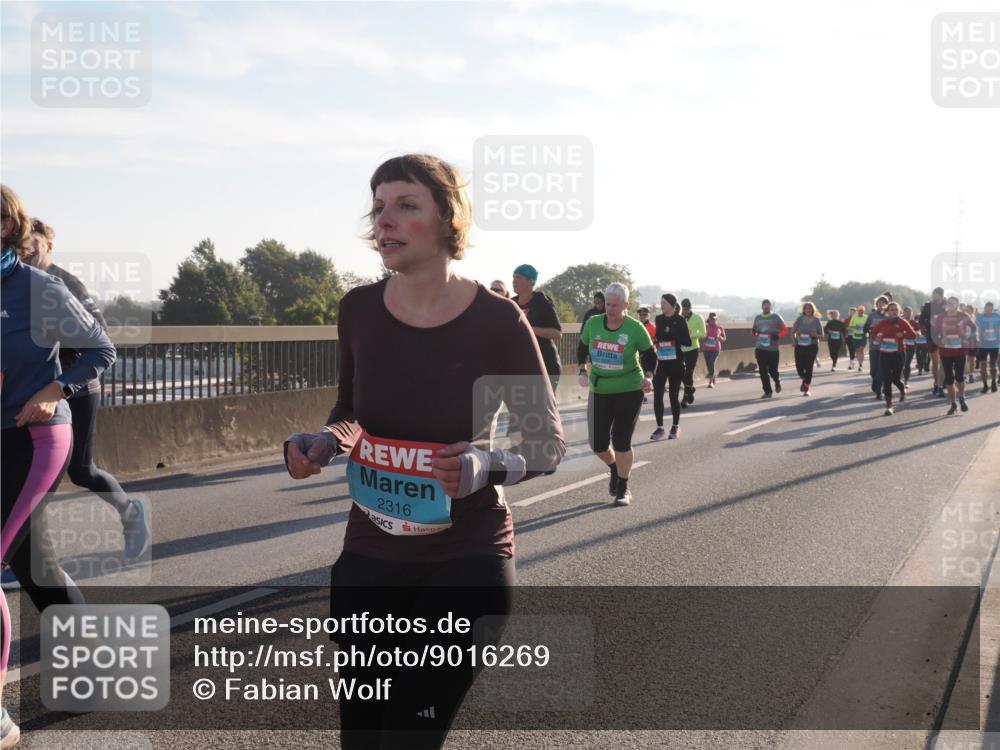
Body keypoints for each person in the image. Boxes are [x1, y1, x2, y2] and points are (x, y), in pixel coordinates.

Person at [283, 155, 565, 749]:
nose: (384, 219)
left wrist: (480, 466)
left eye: (406, 205)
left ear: (446, 219)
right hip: (368, 557)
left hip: (465, 560)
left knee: (409, 737)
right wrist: (325, 443)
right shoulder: (357, 309)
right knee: (361, 742)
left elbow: (545, 443)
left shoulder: (496, 320)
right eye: (378, 206)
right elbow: (350, 415)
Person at [2, 184, 117, 749]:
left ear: (4, 228)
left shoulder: (38, 288)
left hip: (36, 438)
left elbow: (100, 350)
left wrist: (56, 386)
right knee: (34, 565)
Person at [24, 219, 150, 559]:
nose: (28, 255)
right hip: (31, 392)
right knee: (22, 474)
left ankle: (131, 513)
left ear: (49, 247)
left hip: (74, 389)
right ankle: (23, 555)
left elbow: (102, 339)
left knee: (80, 471)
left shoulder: (65, 284)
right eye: (23, 249)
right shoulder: (16, 282)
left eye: (34, 249)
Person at [577, 282, 655, 504]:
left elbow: (650, 354)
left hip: (630, 388)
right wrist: (582, 369)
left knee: (621, 440)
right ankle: (614, 467)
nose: (610, 309)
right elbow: (582, 347)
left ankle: (623, 487)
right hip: (600, 388)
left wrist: (648, 376)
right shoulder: (593, 324)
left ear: (626, 305)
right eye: (608, 305)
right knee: (598, 443)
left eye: (615, 305)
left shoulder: (634, 328)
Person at [511, 264, 563, 395]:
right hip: (521, 368)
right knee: (521, 410)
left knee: (543, 411)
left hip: (545, 366)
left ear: (531, 281)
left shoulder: (541, 301)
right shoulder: (511, 303)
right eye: (513, 277)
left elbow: (557, 333)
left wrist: (529, 328)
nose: (514, 280)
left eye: (518, 277)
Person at [650, 293, 691, 440]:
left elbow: (688, 342)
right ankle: (660, 428)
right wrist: (655, 341)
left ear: (673, 305)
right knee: (657, 394)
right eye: (661, 303)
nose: (661, 305)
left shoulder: (680, 320)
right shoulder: (659, 319)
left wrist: (675, 335)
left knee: (673, 396)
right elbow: (659, 337)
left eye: (664, 303)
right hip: (662, 361)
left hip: (677, 363)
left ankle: (675, 426)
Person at [870, 302, 917, 415]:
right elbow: (873, 334)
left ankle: (902, 390)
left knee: (895, 379)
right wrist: (879, 336)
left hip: (898, 354)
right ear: (887, 312)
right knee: (887, 379)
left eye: (896, 310)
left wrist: (904, 335)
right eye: (891, 310)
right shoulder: (883, 322)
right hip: (885, 354)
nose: (894, 311)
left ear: (899, 311)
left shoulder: (902, 322)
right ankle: (889, 406)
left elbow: (913, 335)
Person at [934, 296, 977, 415]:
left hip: (960, 351)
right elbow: (936, 333)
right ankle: (953, 403)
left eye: (952, 303)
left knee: (959, 376)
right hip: (945, 351)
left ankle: (962, 396)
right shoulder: (941, 317)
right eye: (948, 303)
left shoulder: (963, 316)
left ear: (957, 304)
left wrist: (966, 338)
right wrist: (940, 339)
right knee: (949, 378)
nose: (950, 305)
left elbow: (973, 328)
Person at [751, 299, 786, 398]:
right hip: (760, 348)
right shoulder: (758, 318)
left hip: (773, 349)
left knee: (772, 370)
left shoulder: (776, 317)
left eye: (768, 305)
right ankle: (768, 391)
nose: (766, 307)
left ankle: (777, 381)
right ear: (762, 307)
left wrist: (778, 335)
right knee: (762, 371)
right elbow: (754, 330)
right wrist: (753, 331)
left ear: (771, 307)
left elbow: (784, 330)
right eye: (764, 305)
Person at [791, 302, 823, 396]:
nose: (808, 310)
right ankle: (804, 379)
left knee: (809, 367)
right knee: (799, 366)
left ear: (813, 310)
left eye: (810, 309)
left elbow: (822, 335)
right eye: (806, 309)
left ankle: (806, 387)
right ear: (804, 310)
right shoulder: (799, 319)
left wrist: (816, 335)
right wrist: (794, 341)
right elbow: (792, 332)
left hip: (812, 346)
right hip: (800, 345)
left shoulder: (817, 320)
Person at [920, 287, 947, 397]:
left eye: (934, 294)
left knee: (943, 361)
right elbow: (921, 319)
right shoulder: (928, 305)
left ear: (940, 295)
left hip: (944, 336)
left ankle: (940, 385)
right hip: (931, 335)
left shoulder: (947, 305)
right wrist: (928, 323)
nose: (932, 296)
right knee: (935, 361)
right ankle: (936, 383)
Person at [679, 298, 705, 407]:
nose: (684, 311)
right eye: (683, 309)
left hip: (693, 349)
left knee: (688, 372)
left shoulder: (698, 318)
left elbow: (703, 333)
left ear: (690, 308)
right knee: (681, 373)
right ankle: (690, 389)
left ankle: (685, 397)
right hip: (681, 349)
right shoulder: (679, 318)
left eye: (685, 309)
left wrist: (691, 334)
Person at [863, 296, 888, 399]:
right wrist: (870, 329)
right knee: (873, 370)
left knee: (881, 369)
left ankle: (879, 390)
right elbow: (865, 329)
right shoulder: (871, 316)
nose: (881, 304)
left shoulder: (888, 316)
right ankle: (876, 383)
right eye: (879, 303)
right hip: (873, 346)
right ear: (876, 304)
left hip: (885, 346)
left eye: (884, 303)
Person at [976, 301, 999, 394]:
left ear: (992, 310)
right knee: (983, 366)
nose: (988, 312)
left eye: (990, 310)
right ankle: (985, 385)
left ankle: (993, 382)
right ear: (984, 309)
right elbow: (976, 330)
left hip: (994, 344)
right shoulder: (980, 317)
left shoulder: (997, 317)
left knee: (993, 365)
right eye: (987, 310)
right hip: (983, 345)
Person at [702, 312, 726, 388]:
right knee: (708, 365)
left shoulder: (720, 328)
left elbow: (724, 338)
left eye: (714, 319)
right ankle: (713, 377)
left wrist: (719, 337)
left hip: (715, 349)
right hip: (706, 348)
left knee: (711, 363)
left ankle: (711, 382)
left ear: (716, 319)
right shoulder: (706, 327)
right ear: (709, 319)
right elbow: (702, 336)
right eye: (712, 319)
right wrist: (705, 337)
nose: (713, 321)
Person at [900, 306, 919, 386]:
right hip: (901, 346)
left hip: (911, 346)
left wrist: (918, 333)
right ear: (903, 312)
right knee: (901, 363)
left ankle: (906, 381)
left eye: (910, 312)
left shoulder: (914, 323)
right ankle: (900, 378)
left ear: (912, 313)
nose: (908, 313)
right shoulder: (900, 321)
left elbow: (918, 331)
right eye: (906, 312)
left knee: (907, 363)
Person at [847, 304, 868, 372]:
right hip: (856, 336)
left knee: (861, 350)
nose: (860, 312)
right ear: (857, 311)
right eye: (859, 310)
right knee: (858, 351)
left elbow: (869, 326)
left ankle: (860, 365)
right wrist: (855, 327)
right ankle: (859, 363)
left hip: (863, 336)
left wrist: (865, 328)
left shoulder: (866, 317)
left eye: (862, 311)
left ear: (864, 311)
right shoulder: (854, 317)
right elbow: (850, 327)